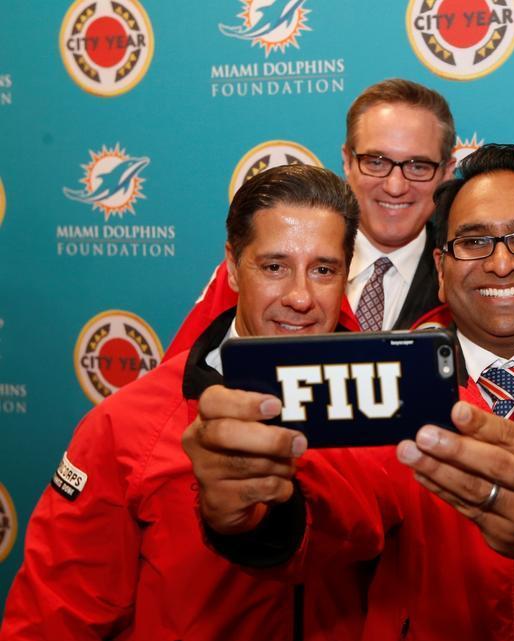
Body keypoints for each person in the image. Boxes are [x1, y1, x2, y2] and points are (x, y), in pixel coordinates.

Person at [180, 144, 514, 641]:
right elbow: (337, 498)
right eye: (473, 242)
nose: (501, 263)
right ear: (440, 269)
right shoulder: (386, 375)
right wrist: (259, 506)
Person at [0, 165, 369, 641]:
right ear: (234, 268)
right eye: (274, 267)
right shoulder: (126, 425)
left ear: (346, 274)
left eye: (322, 270)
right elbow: (54, 620)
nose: (300, 297)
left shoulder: (388, 409)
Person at [164, 78, 457, 355]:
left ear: (447, 171)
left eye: (419, 166)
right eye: (376, 162)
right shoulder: (257, 267)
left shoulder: (465, 278)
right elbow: (182, 383)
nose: (395, 186)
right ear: (346, 160)